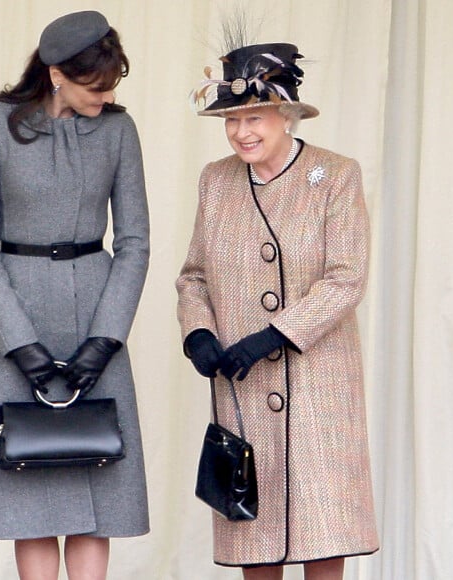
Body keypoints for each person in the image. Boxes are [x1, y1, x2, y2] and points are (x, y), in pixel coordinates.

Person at [0, 11, 149, 580]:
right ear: (57, 73)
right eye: (97, 85)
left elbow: (135, 241)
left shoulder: (119, 130)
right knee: (28, 488)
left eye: (113, 83)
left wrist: (107, 337)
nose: (107, 95)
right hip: (14, 315)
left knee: (96, 488)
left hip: (97, 312)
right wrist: (19, 344)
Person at [176, 39, 379, 580]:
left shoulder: (335, 175)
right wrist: (198, 332)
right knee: (254, 533)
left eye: (256, 116)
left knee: (321, 529)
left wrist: (274, 336)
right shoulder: (216, 181)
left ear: (286, 113)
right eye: (232, 119)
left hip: (318, 384)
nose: (243, 131)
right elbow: (193, 275)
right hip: (240, 387)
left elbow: (346, 277)